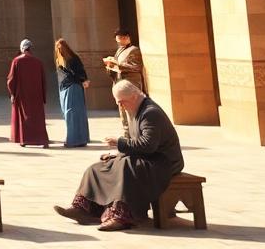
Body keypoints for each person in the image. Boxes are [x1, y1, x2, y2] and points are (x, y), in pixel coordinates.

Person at [54, 80, 183, 231]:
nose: (121, 106)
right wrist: (116, 153)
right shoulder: (135, 109)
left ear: (134, 96)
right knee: (97, 168)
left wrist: (119, 143)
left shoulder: (150, 113)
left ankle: (121, 216)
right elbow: (134, 141)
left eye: (122, 102)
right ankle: (83, 209)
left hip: (163, 161)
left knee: (125, 168)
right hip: (147, 157)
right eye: (118, 103)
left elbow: (148, 145)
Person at [8, 39, 50, 147]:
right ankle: (41, 140)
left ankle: (25, 140)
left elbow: (11, 80)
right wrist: (43, 96)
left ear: (22, 48)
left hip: (22, 96)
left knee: (24, 117)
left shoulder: (16, 61)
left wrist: (12, 93)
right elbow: (43, 81)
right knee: (38, 118)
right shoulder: (38, 62)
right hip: (37, 96)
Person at [103, 28, 145, 131]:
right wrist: (110, 66)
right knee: (123, 110)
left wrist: (118, 65)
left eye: (122, 38)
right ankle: (127, 132)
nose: (120, 40)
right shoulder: (120, 50)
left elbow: (136, 67)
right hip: (120, 82)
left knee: (132, 110)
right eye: (118, 39)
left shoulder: (134, 50)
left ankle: (135, 132)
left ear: (127, 37)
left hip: (131, 84)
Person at [56, 38, 91, 148]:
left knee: (72, 114)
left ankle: (74, 140)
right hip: (68, 88)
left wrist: (84, 80)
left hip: (72, 88)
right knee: (73, 114)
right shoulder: (61, 60)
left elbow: (79, 72)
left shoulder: (72, 59)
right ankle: (79, 139)